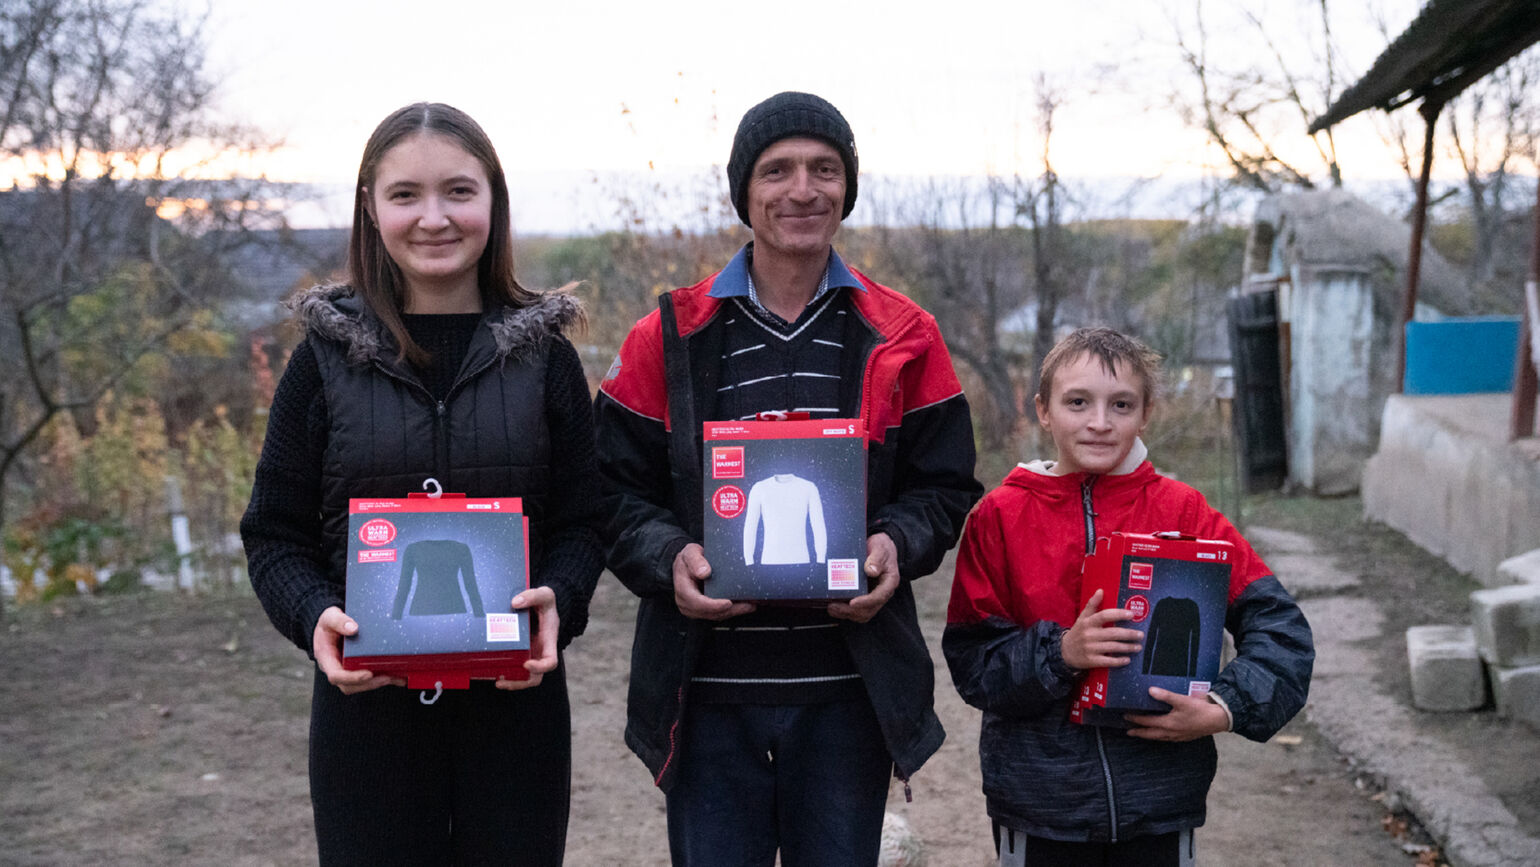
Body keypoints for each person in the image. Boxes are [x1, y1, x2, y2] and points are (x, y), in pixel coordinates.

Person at [594, 91, 983, 866]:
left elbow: (945, 489)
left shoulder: (905, 333)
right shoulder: (666, 336)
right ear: (745, 190)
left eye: (823, 169)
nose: (802, 189)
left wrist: (893, 545)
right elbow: (607, 493)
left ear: (847, 187)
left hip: (848, 690)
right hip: (706, 696)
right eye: (777, 171)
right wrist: (669, 559)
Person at [240, 102, 603, 866]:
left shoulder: (547, 361)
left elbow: (585, 520)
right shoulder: (320, 361)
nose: (433, 217)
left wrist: (560, 600)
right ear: (371, 209)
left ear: (493, 203)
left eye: (458, 192)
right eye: (406, 194)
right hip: (366, 724)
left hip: (517, 721)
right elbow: (273, 533)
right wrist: (315, 617)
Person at [942, 327, 1314, 867]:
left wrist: (1224, 707)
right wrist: (1061, 654)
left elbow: (1281, 628)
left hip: (1161, 800)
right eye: (1077, 402)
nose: (1099, 422)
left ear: (1146, 414)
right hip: (1042, 806)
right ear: (1043, 410)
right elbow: (974, 664)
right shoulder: (1000, 517)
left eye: (1121, 404)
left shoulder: (1186, 512)